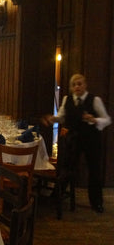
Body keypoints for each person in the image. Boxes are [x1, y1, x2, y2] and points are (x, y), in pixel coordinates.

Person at [43, 74, 111, 213]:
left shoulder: (94, 100)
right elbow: (62, 118)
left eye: (79, 84)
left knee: (94, 171)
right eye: (74, 85)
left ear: (85, 85)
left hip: (91, 139)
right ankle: (57, 196)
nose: (77, 87)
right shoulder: (67, 100)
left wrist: (95, 120)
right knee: (67, 168)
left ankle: (96, 202)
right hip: (73, 139)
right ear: (71, 87)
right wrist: (52, 119)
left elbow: (107, 119)